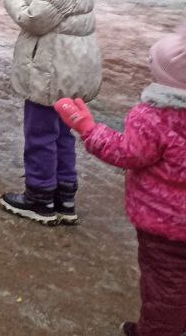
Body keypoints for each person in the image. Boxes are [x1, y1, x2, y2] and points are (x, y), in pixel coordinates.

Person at [55, 22, 186, 336]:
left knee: (164, 287)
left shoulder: (155, 117)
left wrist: (88, 129)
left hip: (165, 226)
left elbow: (126, 153)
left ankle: (156, 332)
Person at [0, 0, 104, 225]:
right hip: (66, 72)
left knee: (40, 134)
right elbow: (43, 3)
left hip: (50, 72)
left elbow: (34, 19)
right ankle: (64, 196)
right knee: (60, 135)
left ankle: (40, 197)